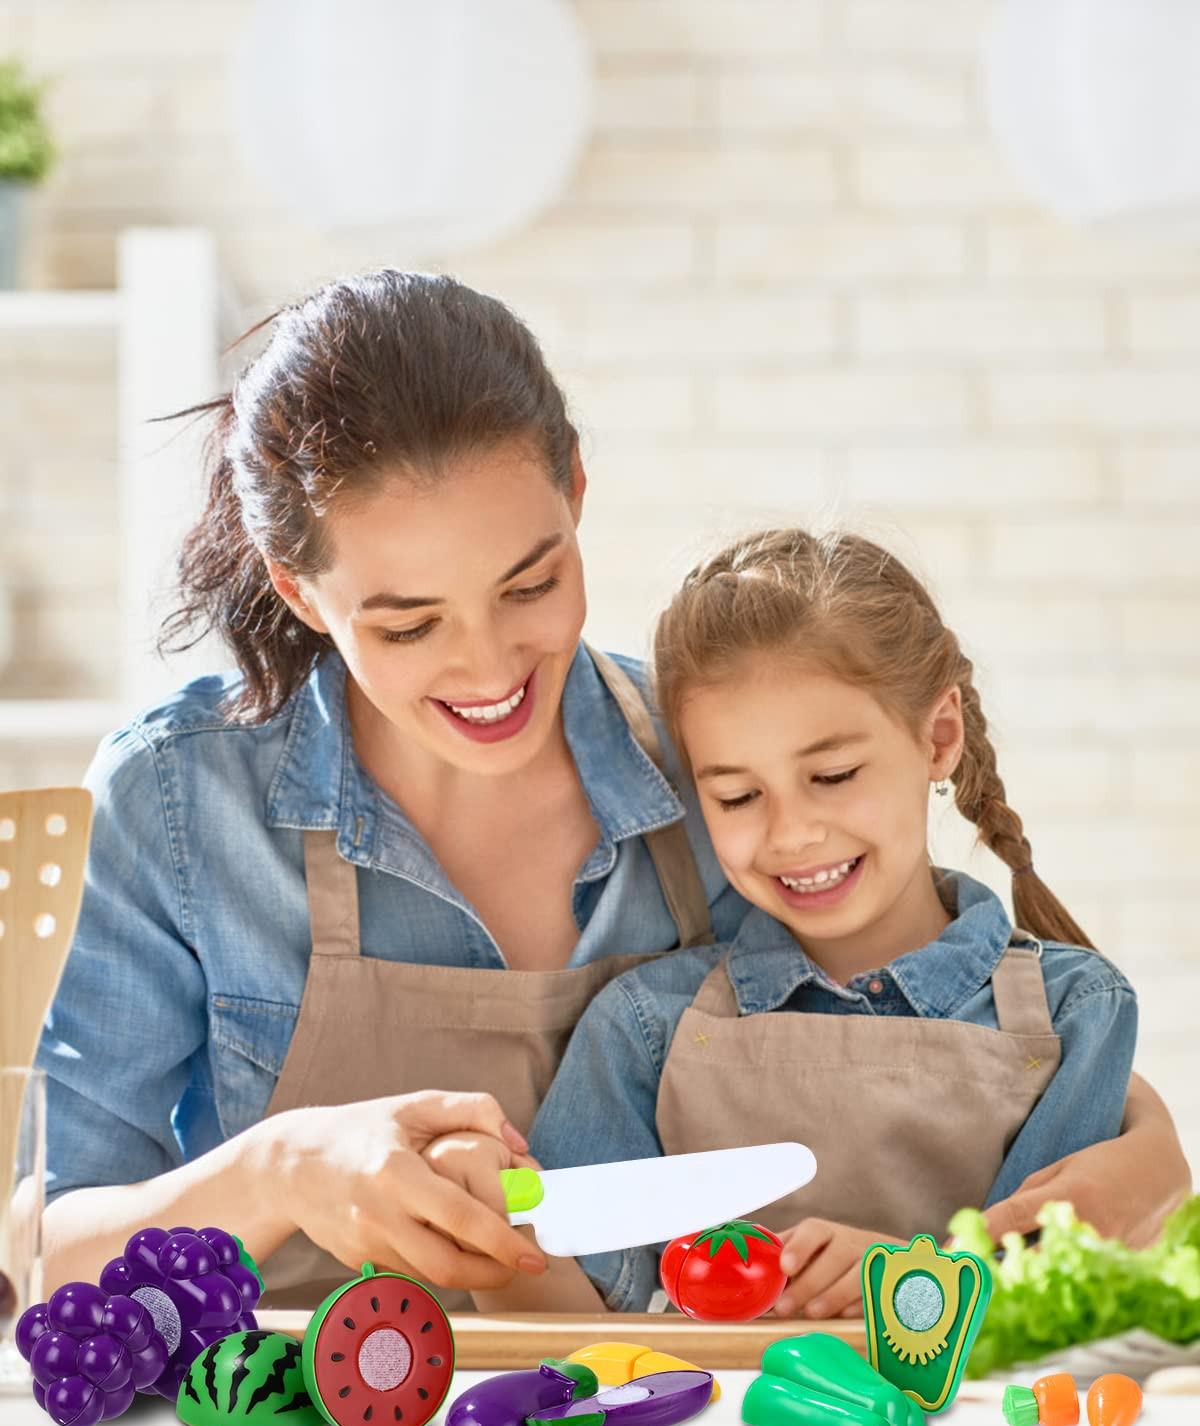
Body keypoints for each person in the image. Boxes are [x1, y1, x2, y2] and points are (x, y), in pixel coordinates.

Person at [37, 274, 1186, 1312]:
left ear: (577, 490)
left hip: (641, 1412)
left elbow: (907, 1024)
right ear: (299, 588)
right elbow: (45, 1249)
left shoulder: (717, 773)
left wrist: (1141, 1140)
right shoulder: (179, 801)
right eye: (410, 623)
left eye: (530, 583)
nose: (489, 667)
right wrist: (280, 1168)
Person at [526, 527, 1187, 1317]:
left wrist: (905, 1278)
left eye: (832, 775)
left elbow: (1047, 1304)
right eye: (737, 796)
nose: (792, 832)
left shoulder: (1075, 1013)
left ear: (939, 737)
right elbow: (563, 1306)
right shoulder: (643, 1029)